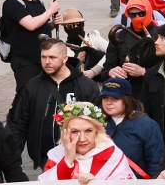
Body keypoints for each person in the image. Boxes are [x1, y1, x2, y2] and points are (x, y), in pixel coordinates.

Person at [8, 37, 101, 169]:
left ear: (64, 58)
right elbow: (20, 123)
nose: (47, 62)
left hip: (80, 157)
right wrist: (12, 158)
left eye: (52, 57)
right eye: (43, 57)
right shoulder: (33, 86)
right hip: (45, 159)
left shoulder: (86, 86)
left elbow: (98, 123)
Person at [40, 101, 137, 182]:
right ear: (65, 133)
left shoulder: (111, 153)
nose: (82, 139)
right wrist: (68, 159)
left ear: (97, 131)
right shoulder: (56, 154)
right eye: (75, 132)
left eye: (88, 131)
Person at [2, 0, 62, 96]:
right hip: (25, 61)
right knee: (26, 95)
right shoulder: (12, 4)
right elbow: (30, 25)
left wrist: (52, 23)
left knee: (44, 93)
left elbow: (41, 26)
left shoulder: (36, 1)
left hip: (42, 58)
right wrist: (50, 11)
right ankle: (15, 116)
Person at [99, 77, 163, 178]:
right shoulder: (96, 124)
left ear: (126, 100)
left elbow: (156, 165)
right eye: (105, 97)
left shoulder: (147, 125)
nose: (108, 102)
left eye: (115, 98)